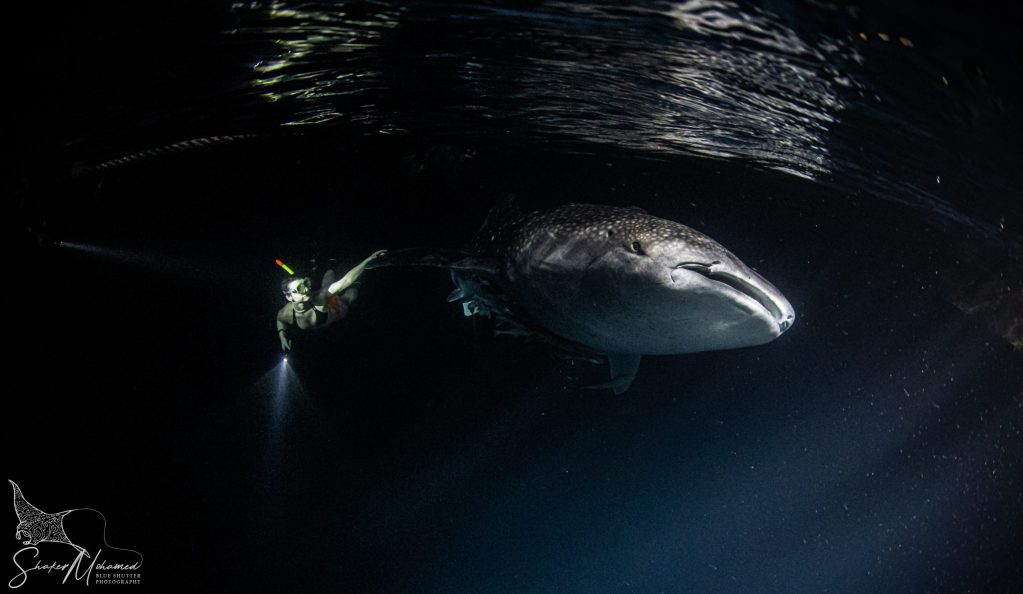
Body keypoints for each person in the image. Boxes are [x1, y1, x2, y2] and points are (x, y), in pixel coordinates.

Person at [276, 250, 386, 351]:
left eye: (306, 283)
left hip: (337, 311)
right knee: (335, 290)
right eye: (301, 288)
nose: (308, 288)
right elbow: (280, 321)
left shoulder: (319, 296)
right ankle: (352, 280)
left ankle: (334, 266)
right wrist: (282, 336)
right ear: (289, 297)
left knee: (347, 296)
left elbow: (346, 280)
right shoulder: (286, 313)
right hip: (325, 324)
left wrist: (369, 259)